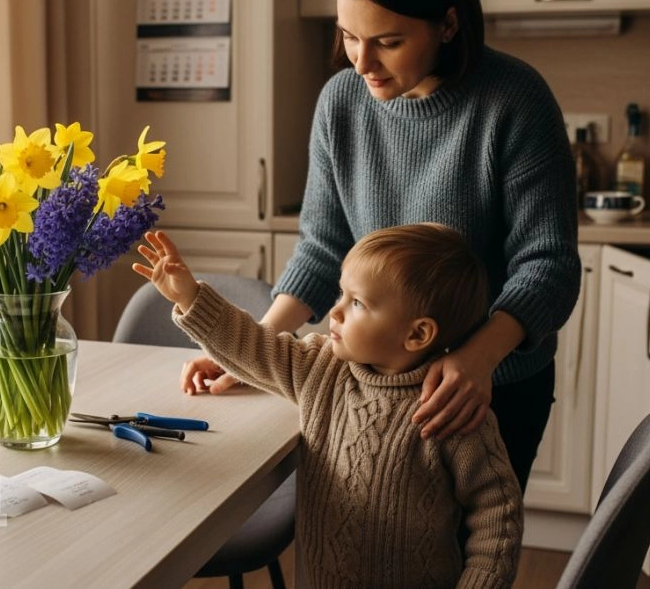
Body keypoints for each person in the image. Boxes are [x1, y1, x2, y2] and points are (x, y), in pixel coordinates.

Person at [181, 0, 580, 491]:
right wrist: (250, 349)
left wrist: (478, 359)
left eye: (387, 41)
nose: (361, 62)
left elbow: (549, 266)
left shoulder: (514, 101)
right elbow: (322, 250)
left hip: (484, 391)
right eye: (348, 36)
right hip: (367, 386)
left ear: (448, 22)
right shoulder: (342, 102)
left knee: (470, 565)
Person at [134, 225, 523, 589]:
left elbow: (498, 516)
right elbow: (252, 345)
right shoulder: (321, 368)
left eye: (357, 303)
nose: (334, 312)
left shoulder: (451, 410)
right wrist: (190, 298)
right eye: (341, 294)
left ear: (418, 333)